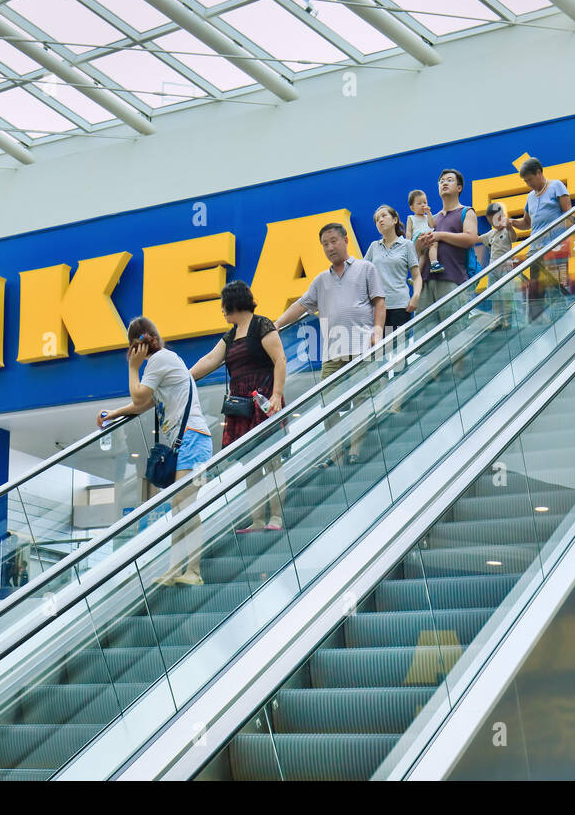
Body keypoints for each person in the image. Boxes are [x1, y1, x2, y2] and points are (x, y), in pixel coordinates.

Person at [98, 317, 213, 585]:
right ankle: (175, 570)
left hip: (193, 439)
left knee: (186, 505)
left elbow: (138, 396)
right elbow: (144, 404)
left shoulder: (160, 360)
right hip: (188, 441)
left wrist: (133, 368)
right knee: (178, 506)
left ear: (136, 346)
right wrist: (114, 413)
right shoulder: (163, 363)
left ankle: (193, 571)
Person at [274, 222, 385, 465]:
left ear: (346, 241)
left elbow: (379, 302)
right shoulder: (320, 280)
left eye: (334, 241)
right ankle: (336, 454)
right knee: (328, 403)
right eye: (325, 244)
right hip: (332, 351)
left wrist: (378, 330)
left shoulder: (366, 268)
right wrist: (277, 324)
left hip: (362, 346)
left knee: (363, 398)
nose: (330, 247)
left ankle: (354, 451)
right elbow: (301, 306)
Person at [189, 281, 287, 533]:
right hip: (241, 406)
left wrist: (277, 394)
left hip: (264, 402)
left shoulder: (261, 325)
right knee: (250, 465)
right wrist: (185, 379)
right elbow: (210, 359)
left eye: (224, 306)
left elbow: (280, 359)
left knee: (272, 461)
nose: (222, 311)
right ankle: (256, 519)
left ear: (234, 302)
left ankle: (275, 517)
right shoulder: (231, 335)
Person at [414, 168, 480, 314]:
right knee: (423, 334)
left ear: (459, 188)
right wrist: (421, 243)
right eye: (441, 181)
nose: (444, 183)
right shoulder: (432, 219)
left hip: (452, 280)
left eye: (450, 180)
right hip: (425, 283)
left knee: (455, 333)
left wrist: (440, 235)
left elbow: (471, 239)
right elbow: (418, 252)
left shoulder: (466, 212)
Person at [366, 204, 422, 335]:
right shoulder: (374, 247)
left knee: (400, 351)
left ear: (395, 220)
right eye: (377, 219)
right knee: (380, 352)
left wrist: (416, 296)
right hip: (377, 309)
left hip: (400, 306)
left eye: (384, 216)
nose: (380, 220)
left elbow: (417, 276)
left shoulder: (407, 245)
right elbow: (361, 273)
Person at [508, 158, 572, 238]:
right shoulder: (530, 196)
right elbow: (527, 223)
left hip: (556, 244)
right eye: (526, 181)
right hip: (536, 247)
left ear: (538, 172)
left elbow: (569, 214)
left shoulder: (556, 185)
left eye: (530, 179)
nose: (528, 184)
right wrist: (512, 222)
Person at [482, 202, 517, 328]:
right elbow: (478, 239)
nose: (494, 223)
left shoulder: (507, 231)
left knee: (507, 294)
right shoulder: (491, 234)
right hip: (492, 268)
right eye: (490, 221)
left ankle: (507, 319)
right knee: (494, 294)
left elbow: (514, 238)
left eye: (496, 218)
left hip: (506, 266)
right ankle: (497, 319)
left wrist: (510, 227)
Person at [406, 189, 441, 273]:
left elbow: (432, 225)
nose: (423, 205)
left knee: (423, 255)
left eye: (425, 203)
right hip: (418, 238)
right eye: (419, 203)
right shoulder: (411, 218)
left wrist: (429, 213)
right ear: (412, 207)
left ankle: (421, 272)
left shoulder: (427, 217)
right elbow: (408, 231)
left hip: (427, 236)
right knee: (433, 243)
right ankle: (434, 263)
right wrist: (408, 242)